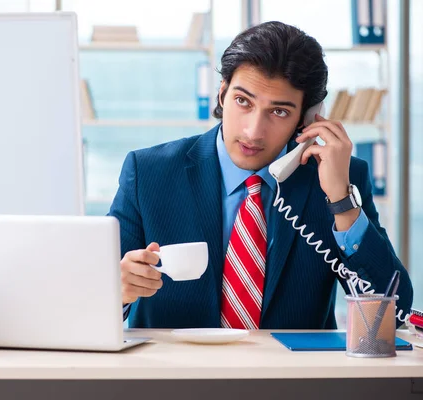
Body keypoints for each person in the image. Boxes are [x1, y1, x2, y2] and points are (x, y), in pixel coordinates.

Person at [108, 21, 413, 329]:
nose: (253, 132)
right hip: (174, 373)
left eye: (278, 111)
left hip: (294, 376)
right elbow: (90, 304)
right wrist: (116, 291)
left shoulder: (341, 179)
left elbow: (394, 316)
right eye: (243, 101)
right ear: (222, 93)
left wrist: (341, 202)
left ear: (305, 119)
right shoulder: (148, 173)